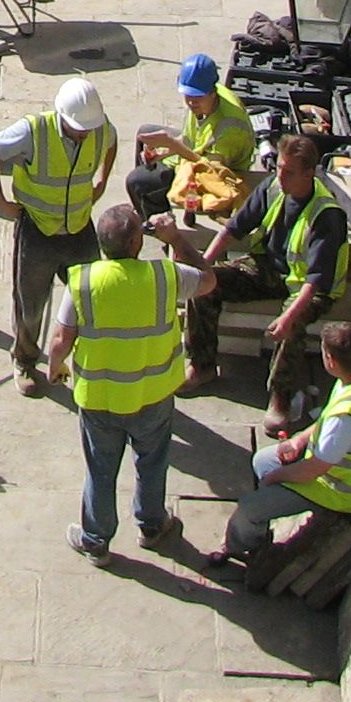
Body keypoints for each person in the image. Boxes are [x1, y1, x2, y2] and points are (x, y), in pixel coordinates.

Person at [163, 133, 351, 431]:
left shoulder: (327, 215)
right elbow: (234, 229)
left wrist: (287, 316)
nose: (280, 176)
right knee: (204, 286)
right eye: (279, 168)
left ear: (309, 174)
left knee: (293, 325)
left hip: (309, 288)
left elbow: (315, 280)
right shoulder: (274, 188)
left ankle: (280, 397)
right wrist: (204, 267)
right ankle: (202, 365)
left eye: (289, 172)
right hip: (269, 268)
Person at [44, 203, 212, 558]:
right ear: (138, 243)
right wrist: (176, 237)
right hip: (153, 395)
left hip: (100, 397)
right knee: (152, 463)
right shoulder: (165, 276)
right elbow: (208, 280)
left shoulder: (83, 280)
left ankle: (96, 541)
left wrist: (54, 368)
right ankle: (152, 527)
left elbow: (61, 339)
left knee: (100, 470)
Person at [203, 322, 351, 579]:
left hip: (346, 491)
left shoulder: (347, 420)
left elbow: (313, 469)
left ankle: (240, 546)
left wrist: (277, 478)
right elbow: (329, 418)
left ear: (329, 359)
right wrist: (299, 440)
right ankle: (261, 527)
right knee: (263, 460)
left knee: (251, 506)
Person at [0, 77, 117, 395]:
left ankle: (87, 362)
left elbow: (111, 141)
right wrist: (0, 201)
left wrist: (102, 181)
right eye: (77, 127)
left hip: (79, 228)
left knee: (91, 298)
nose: (84, 133)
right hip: (38, 231)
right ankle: (25, 362)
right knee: (31, 306)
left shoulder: (98, 128)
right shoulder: (34, 131)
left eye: (88, 128)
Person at [127, 51, 257, 222]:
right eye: (187, 95)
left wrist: (171, 144)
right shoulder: (205, 99)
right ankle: (154, 202)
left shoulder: (230, 129)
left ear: (212, 92)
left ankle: (161, 223)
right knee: (144, 133)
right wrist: (163, 152)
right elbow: (189, 138)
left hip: (219, 173)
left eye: (197, 97)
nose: (191, 102)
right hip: (197, 153)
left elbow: (209, 171)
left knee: (136, 181)